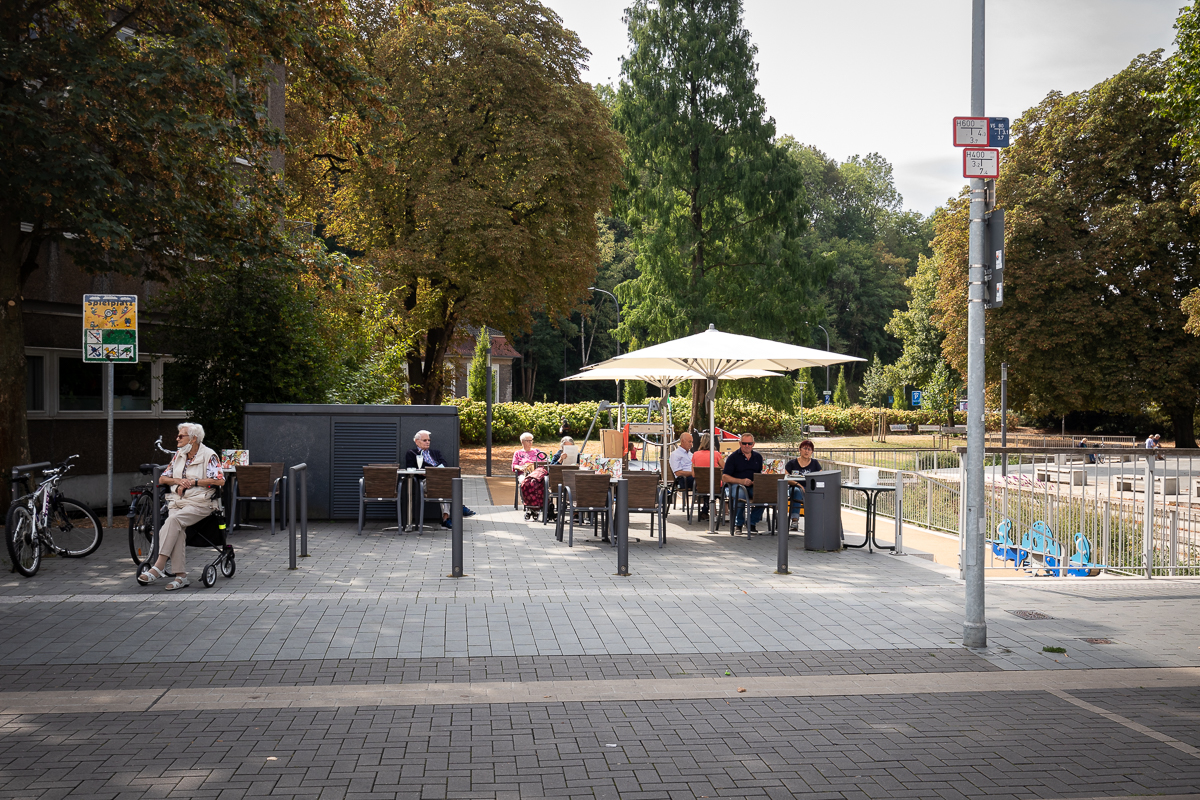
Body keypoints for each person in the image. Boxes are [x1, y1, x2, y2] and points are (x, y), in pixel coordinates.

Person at [138, 422, 225, 590]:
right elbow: (162, 478)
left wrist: (193, 482)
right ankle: (181, 576)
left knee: (173, 521)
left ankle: (159, 566)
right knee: (176, 529)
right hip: (177, 501)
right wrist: (178, 481)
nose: (177, 439)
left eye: (181, 436)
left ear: (193, 439)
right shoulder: (179, 455)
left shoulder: (209, 455)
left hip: (200, 502)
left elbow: (219, 480)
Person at [405, 430, 474, 529]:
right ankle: (458, 508)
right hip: (426, 481)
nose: (427, 442)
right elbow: (410, 468)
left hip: (440, 480)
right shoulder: (412, 453)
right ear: (417, 441)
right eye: (425, 440)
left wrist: (435, 472)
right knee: (447, 485)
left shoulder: (435, 453)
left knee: (447, 484)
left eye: (429, 440)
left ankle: (446, 519)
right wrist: (430, 472)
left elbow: (444, 464)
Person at [723, 432, 764, 534]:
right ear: (740, 443)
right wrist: (741, 481)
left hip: (753, 486)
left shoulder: (758, 457)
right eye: (744, 443)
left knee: (764, 495)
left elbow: (760, 474)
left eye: (749, 443)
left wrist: (756, 481)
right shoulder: (733, 457)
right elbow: (724, 477)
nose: (747, 446)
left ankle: (751, 522)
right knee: (740, 493)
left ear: (753, 444)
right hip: (736, 485)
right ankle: (738, 524)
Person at [784, 440, 822, 531]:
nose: (806, 451)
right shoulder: (792, 463)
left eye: (809, 449)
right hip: (795, 487)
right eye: (804, 448)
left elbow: (820, 476)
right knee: (797, 491)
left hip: (810, 489)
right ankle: (794, 520)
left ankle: (816, 522)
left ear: (812, 452)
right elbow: (786, 478)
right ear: (800, 449)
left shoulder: (815, 463)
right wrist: (798, 485)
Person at [512, 432, 549, 517]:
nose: (530, 442)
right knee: (524, 481)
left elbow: (545, 461)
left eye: (531, 440)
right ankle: (527, 503)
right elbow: (514, 465)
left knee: (544, 482)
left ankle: (541, 503)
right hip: (525, 473)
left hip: (537, 474)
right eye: (528, 441)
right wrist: (520, 467)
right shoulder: (518, 453)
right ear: (522, 442)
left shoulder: (537, 451)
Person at [691, 433, 724, 521]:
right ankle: (726, 513)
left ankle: (706, 511)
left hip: (701, 486)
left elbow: (693, 474)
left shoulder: (695, 454)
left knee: (708, 488)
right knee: (725, 487)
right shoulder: (716, 454)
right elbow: (725, 468)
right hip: (716, 486)